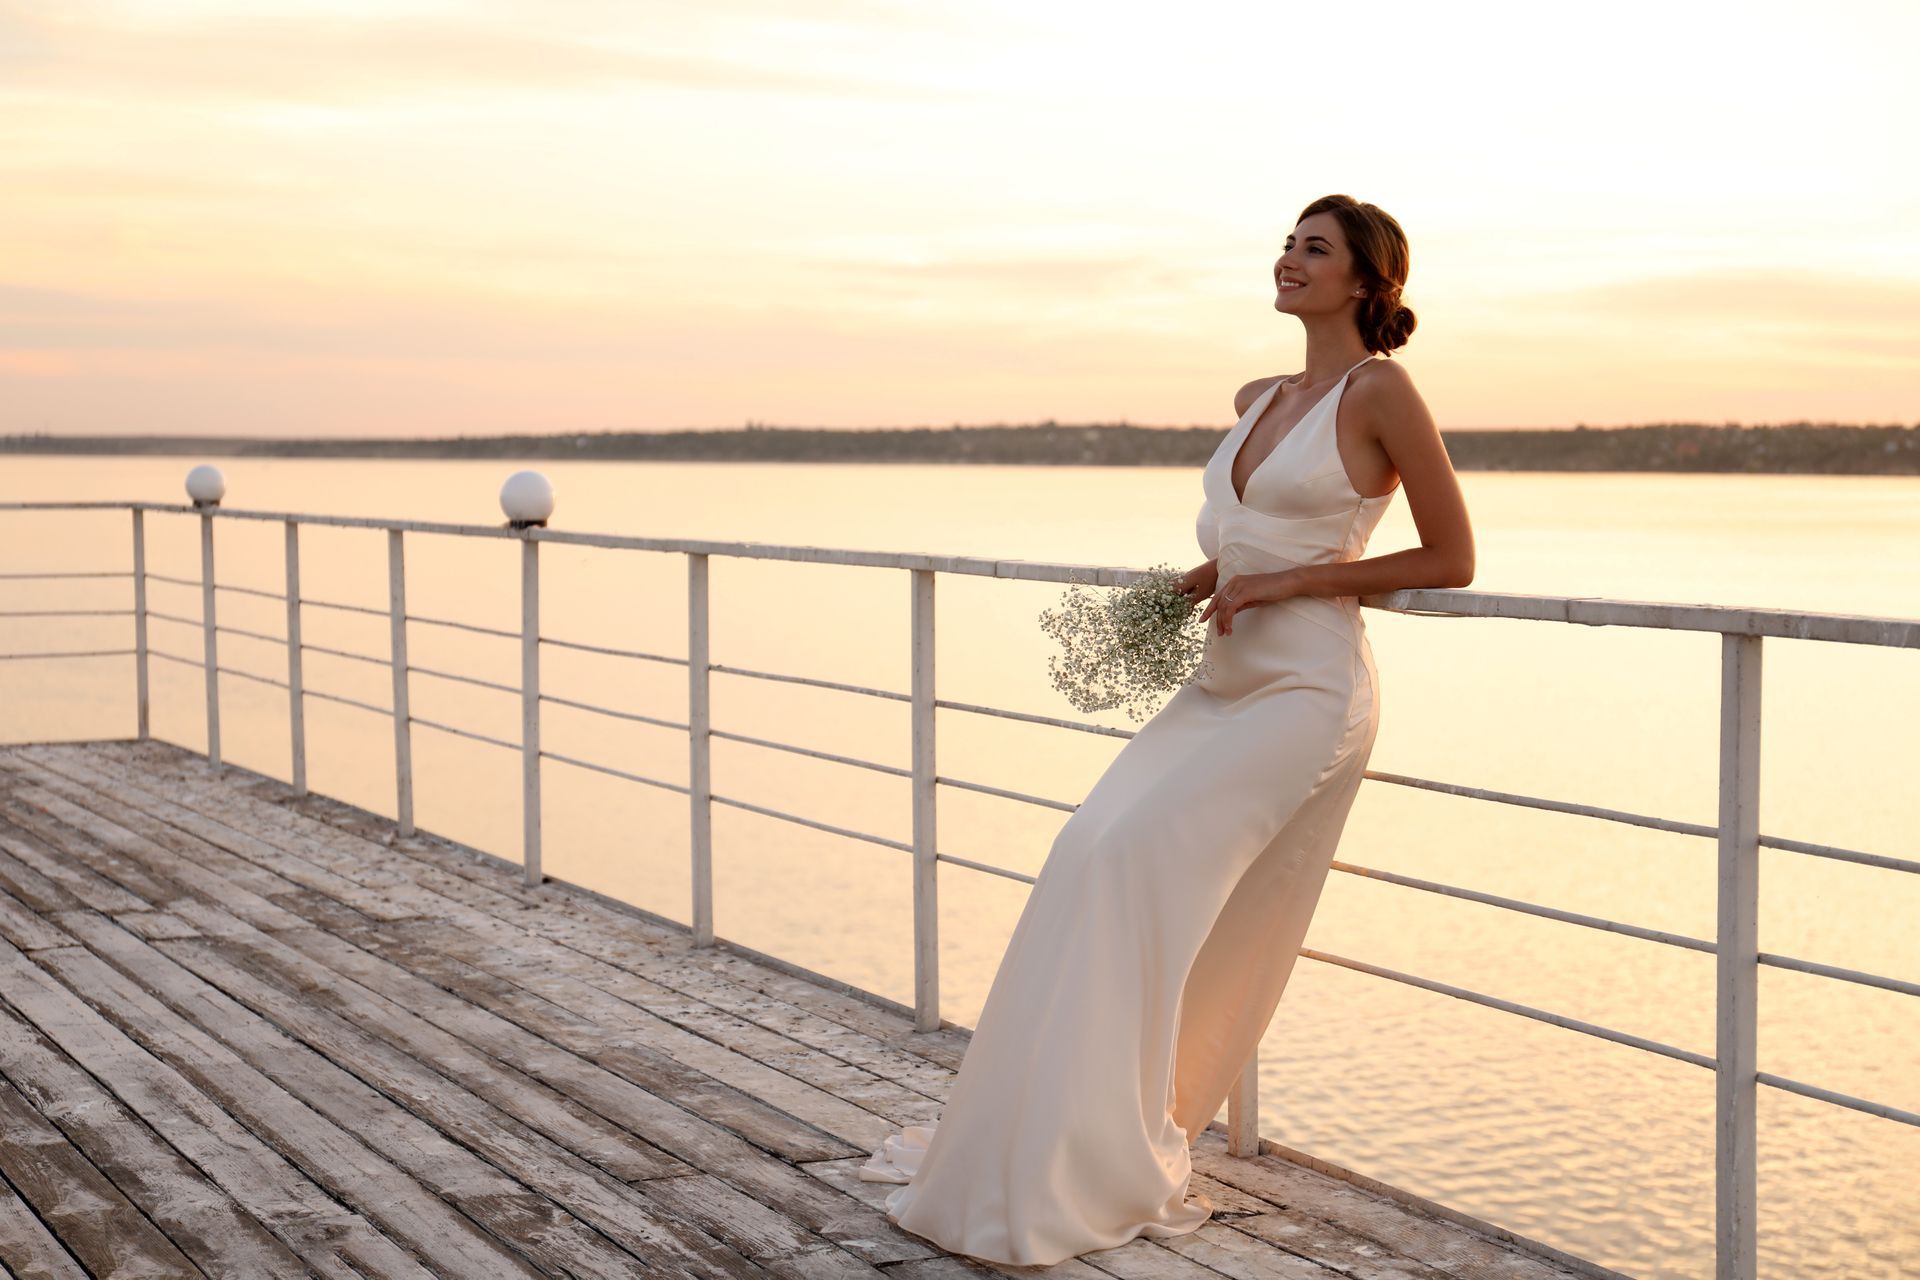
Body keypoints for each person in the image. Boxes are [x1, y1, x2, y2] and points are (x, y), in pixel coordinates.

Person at [857, 194, 1476, 1266]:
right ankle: (1053, 1131)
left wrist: (1301, 578)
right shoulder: (1259, 394)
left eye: (1314, 248)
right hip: (1218, 681)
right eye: (1288, 241)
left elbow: (1450, 555)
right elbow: (1245, 534)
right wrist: (1192, 585)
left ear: (1367, 282)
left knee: (1132, 861)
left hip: (1306, 694)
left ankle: (1106, 1150)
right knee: (1086, 849)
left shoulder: (1383, 391)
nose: (1289, 258)